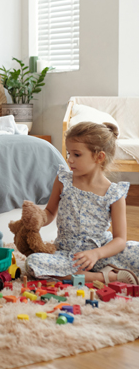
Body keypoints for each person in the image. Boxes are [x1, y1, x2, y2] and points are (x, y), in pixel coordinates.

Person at [25, 121, 139, 285]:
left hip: (101, 252)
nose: (69, 160)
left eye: (76, 155)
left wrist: (96, 254)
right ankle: (106, 277)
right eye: (68, 153)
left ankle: (92, 273)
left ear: (99, 157)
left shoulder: (114, 193)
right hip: (69, 255)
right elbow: (50, 212)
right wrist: (38, 219)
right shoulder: (63, 180)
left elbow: (120, 239)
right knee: (33, 263)